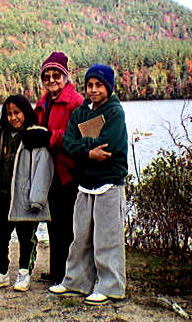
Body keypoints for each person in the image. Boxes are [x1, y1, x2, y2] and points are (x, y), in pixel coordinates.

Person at [48, 64, 128, 305]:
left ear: (108, 87)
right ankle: (77, 281)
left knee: (107, 237)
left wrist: (85, 143)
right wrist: (88, 151)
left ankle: (110, 286)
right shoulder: (82, 111)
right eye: (90, 85)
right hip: (85, 181)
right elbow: (69, 141)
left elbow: (108, 145)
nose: (93, 90)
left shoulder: (115, 112)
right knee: (80, 236)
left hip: (108, 182)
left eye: (99, 85)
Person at [0, 94, 54, 292]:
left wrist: (37, 198)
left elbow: (43, 167)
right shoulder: (1, 134)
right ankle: (0, 272)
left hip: (25, 198)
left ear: (25, 112)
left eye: (17, 112)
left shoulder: (35, 136)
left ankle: (24, 274)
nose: (13, 117)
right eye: (9, 114)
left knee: (26, 239)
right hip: (4, 197)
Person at [29, 51, 84, 284]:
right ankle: (57, 271)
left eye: (56, 75)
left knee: (69, 226)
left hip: (70, 171)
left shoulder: (77, 102)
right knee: (53, 224)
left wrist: (50, 137)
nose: (51, 80)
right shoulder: (42, 102)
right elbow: (34, 128)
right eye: (47, 76)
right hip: (48, 172)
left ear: (65, 76)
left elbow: (81, 135)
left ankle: (70, 276)